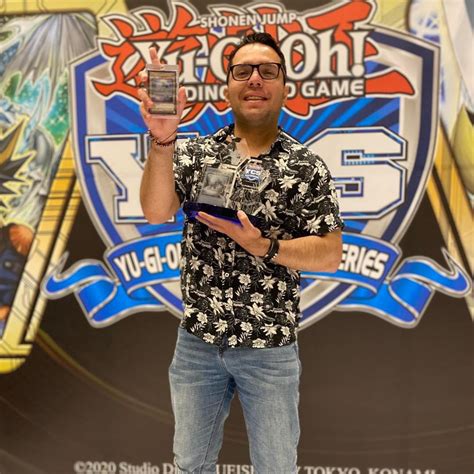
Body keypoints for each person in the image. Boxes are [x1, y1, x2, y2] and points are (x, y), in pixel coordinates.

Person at [138, 32, 344, 474]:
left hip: (269, 348)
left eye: (267, 71)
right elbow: (156, 211)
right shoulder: (195, 153)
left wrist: (262, 245)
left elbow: (330, 254)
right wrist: (162, 139)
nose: (255, 79)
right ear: (227, 87)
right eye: (242, 71)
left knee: (276, 467)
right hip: (197, 342)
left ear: (284, 87)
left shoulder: (305, 167)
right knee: (190, 465)